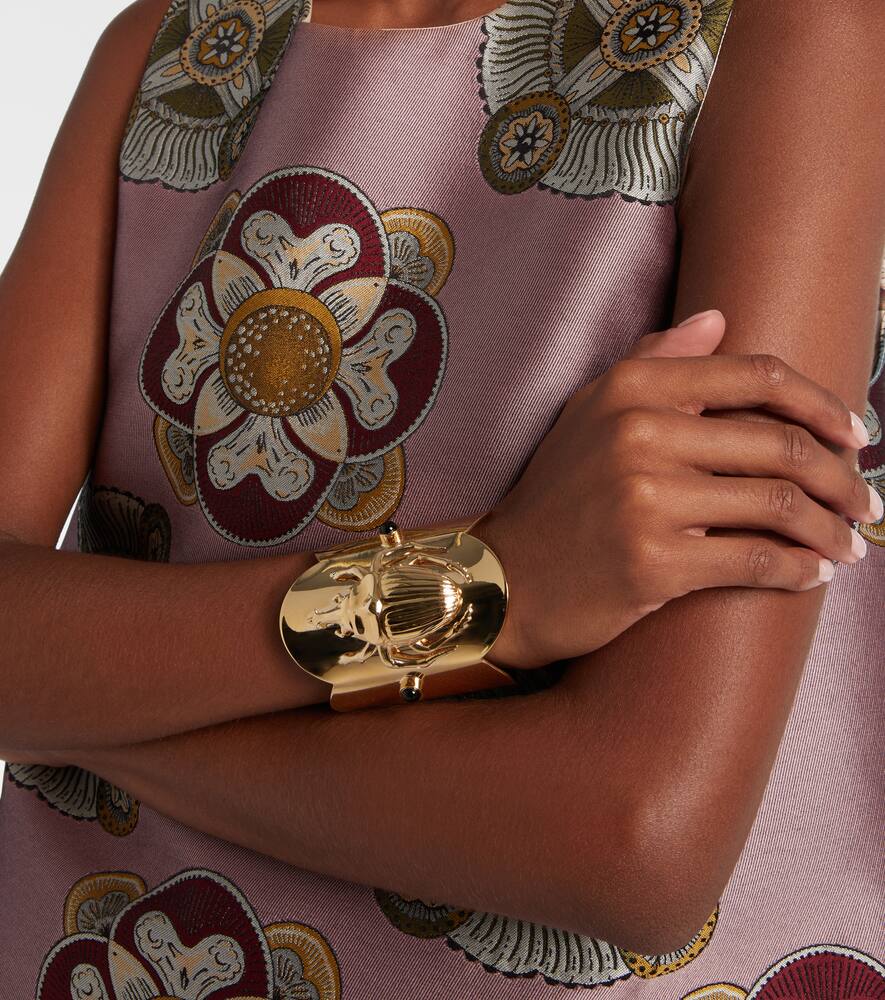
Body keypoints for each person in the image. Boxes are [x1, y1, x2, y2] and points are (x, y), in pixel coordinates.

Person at [0, 0, 882, 995]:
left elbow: (633, 845)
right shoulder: (169, 54)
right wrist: (479, 588)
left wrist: (76, 709)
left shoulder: (784, 32)